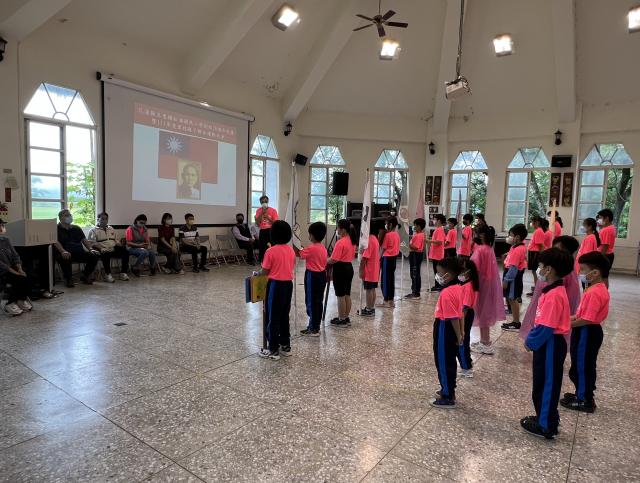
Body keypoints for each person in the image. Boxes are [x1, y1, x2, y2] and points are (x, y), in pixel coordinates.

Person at [521, 247, 573, 439]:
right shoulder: (553, 290)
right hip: (547, 343)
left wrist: (530, 342)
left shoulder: (554, 295)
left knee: (546, 385)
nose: (539, 269)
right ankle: (544, 416)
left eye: (541, 266)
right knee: (541, 383)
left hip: (550, 344)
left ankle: (546, 425)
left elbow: (546, 327)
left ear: (549, 269)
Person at [560, 251, 610, 413]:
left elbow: (587, 319)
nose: (579, 273)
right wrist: (567, 318)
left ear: (595, 273)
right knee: (582, 364)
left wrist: (566, 325)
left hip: (587, 333)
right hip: (587, 331)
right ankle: (581, 393)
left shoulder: (595, 292)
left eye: (582, 269)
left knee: (582, 367)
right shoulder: (595, 288)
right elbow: (581, 314)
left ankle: (585, 400)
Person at [520, 236, 581, 343]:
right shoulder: (552, 269)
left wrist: (534, 341)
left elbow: (549, 323)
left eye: (557, 249)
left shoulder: (562, 274)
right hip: (541, 310)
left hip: (549, 324)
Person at [257, 220, 295, 360]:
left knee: (272, 317)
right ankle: (285, 345)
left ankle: (273, 349)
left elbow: (265, 271)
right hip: (288, 285)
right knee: (284, 315)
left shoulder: (270, 251)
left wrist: (257, 273)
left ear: (272, 234)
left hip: (275, 286)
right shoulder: (290, 250)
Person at [431, 257, 464, 409]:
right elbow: (460, 313)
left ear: (448, 275)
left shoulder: (447, 293)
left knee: (443, 362)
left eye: (439, 273)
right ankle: (449, 389)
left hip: (444, 328)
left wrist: (458, 335)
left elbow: (452, 317)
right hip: (450, 328)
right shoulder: (458, 287)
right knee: (449, 361)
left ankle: (447, 396)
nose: (437, 276)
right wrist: (461, 332)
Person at [470, 225, 502, 355]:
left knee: (482, 312)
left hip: (481, 285)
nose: (474, 236)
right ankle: (484, 340)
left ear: (481, 235)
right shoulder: (489, 249)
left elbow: (474, 268)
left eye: (476, 233)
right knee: (485, 312)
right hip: (487, 284)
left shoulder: (480, 250)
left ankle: (485, 342)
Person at [297, 222, 327, 336]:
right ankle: (314, 325)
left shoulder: (311, 248)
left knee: (311, 301)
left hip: (312, 276)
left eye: (309, 234)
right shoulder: (323, 248)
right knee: (318, 301)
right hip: (321, 275)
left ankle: (313, 328)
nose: (309, 236)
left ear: (312, 235)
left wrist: (295, 244)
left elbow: (300, 254)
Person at [54, 209, 99, 287]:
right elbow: (55, 241)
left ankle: (85, 276)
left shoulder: (76, 228)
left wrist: (91, 249)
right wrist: (63, 251)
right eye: (67, 215)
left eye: (70, 215)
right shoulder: (55, 228)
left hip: (78, 252)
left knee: (94, 256)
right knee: (66, 257)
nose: (69, 216)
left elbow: (84, 240)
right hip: (64, 252)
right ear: (61, 218)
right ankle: (68, 279)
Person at [0, 218, 33, 315]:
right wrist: (15, 272)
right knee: (19, 279)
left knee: (30, 276)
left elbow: (15, 256)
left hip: (12, 268)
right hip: (3, 271)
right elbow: (1, 265)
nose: (2, 227)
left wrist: (20, 269)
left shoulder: (6, 240)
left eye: (2, 225)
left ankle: (21, 300)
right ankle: (10, 303)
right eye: (0, 225)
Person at [328, 219, 357, 327]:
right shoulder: (351, 240)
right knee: (346, 294)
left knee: (340, 295)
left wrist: (325, 260)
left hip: (340, 269)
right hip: (349, 267)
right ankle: (345, 317)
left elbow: (334, 259)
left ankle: (341, 319)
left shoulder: (340, 242)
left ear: (343, 230)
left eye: (338, 228)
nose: (337, 230)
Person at [88, 212, 130, 282]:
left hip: (113, 248)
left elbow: (116, 240)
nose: (105, 220)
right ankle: (108, 274)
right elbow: (92, 243)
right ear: (98, 219)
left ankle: (123, 273)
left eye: (106, 219)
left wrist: (119, 244)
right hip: (102, 249)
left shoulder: (111, 228)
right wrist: (101, 248)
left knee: (125, 252)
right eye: (102, 219)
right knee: (105, 253)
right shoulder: (93, 230)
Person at [501, 224, 528, 331]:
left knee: (512, 299)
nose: (509, 237)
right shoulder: (515, 247)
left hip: (512, 277)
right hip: (511, 275)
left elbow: (513, 268)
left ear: (517, 237)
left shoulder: (518, 249)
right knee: (511, 298)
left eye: (510, 235)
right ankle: (515, 321)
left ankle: (516, 323)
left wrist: (506, 280)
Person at [458, 257, 479, 378]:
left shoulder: (468, 287)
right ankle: (467, 361)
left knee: (462, 340)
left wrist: (460, 326)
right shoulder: (467, 284)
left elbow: (464, 308)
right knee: (464, 340)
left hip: (465, 316)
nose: (460, 273)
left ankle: (466, 368)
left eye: (462, 270)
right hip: (466, 314)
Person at [359, 220, 381, 317]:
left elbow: (365, 257)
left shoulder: (369, 240)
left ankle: (368, 309)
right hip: (375, 269)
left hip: (369, 269)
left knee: (368, 289)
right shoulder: (375, 239)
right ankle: (371, 308)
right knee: (372, 289)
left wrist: (361, 270)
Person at [379, 216, 400, 307]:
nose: (386, 225)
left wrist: (379, 258)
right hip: (394, 258)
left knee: (385, 280)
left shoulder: (388, 235)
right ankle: (391, 300)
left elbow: (383, 248)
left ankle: (386, 300)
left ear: (390, 225)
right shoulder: (397, 235)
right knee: (391, 279)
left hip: (387, 259)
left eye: (387, 224)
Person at [405, 218, 426, 299]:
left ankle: (416, 293)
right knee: (415, 273)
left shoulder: (419, 235)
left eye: (415, 225)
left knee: (415, 274)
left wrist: (407, 243)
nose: (414, 227)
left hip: (415, 255)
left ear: (419, 226)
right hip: (415, 254)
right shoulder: (418, 234)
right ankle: (414, 291)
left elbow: (415, 247)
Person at [255, 195, 279, 262]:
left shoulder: (273, 210)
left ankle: (272, 260)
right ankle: (263, 261)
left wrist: (268, 218)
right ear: (260, 203)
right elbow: (257, 223)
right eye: (262, 202)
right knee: (262, 247)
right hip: (262, 231)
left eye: (265, 201)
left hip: (271, 230)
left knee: (271, 246)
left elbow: (275, 223)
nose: (264, 203)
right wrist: (261, 214)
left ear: (268, 201)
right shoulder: (258, 210)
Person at [526, 216, 546, 295]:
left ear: (537, 222)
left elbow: (540, 245)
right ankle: (537, 288)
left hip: (535, 254)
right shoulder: (538, 231)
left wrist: (541, 257)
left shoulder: (538, 231)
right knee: (534, 272)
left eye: (533, 222)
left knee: (536, 272)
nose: (532, 224)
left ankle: (538, 290)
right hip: (534, 253)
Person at [426, 214, 446, 291]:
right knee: (436, 270)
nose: (434, 221)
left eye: (435, 219)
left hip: (437, 254)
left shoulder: (439, 230)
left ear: (439, 221)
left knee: (437, 270)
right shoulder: (439, 229)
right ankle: (437, 285)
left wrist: (428, 241)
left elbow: (439, 242)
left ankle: (438, 286)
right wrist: (430, 239)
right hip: (436, 253)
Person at [597, 208, 616, 287]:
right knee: (603, 276)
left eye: (600, 218)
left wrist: (601, 258)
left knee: (603, 276)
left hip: (605, 255)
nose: (599, 220)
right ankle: (602, 292)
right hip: (608, 254)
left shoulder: (607, 230)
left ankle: (603, 292)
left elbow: (605, 245)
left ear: (607, 218)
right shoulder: (611, 227)